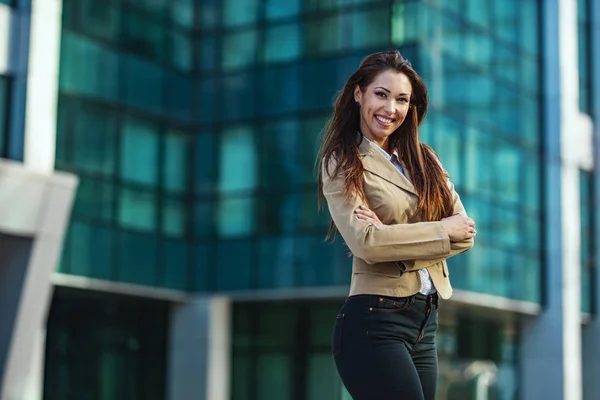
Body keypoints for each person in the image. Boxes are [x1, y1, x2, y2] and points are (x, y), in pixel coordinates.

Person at [317, 50, 476, 400]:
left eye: (402, 99)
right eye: (381, 94)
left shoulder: (425, 159)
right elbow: (367, 244)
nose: (391, 109)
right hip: (375, 321)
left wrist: (393, 240)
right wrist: (439, 230)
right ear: (359, 94)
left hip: (425, 322)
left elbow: (464, 232)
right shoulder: (342, 162)